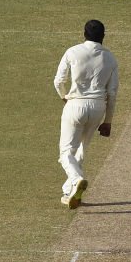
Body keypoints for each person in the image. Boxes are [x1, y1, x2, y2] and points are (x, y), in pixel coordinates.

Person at [53, 20, 119, 209]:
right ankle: (69, 192)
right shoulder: (110, 58)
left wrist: (64, 97)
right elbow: (112, 93)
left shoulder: (72, 52)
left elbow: (58, 81)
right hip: (98, 108)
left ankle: (76, 179)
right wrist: (108, 121)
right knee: (81, 150)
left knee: (66, 152)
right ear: (103, 36)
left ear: (84, 34)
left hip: (75, 104)